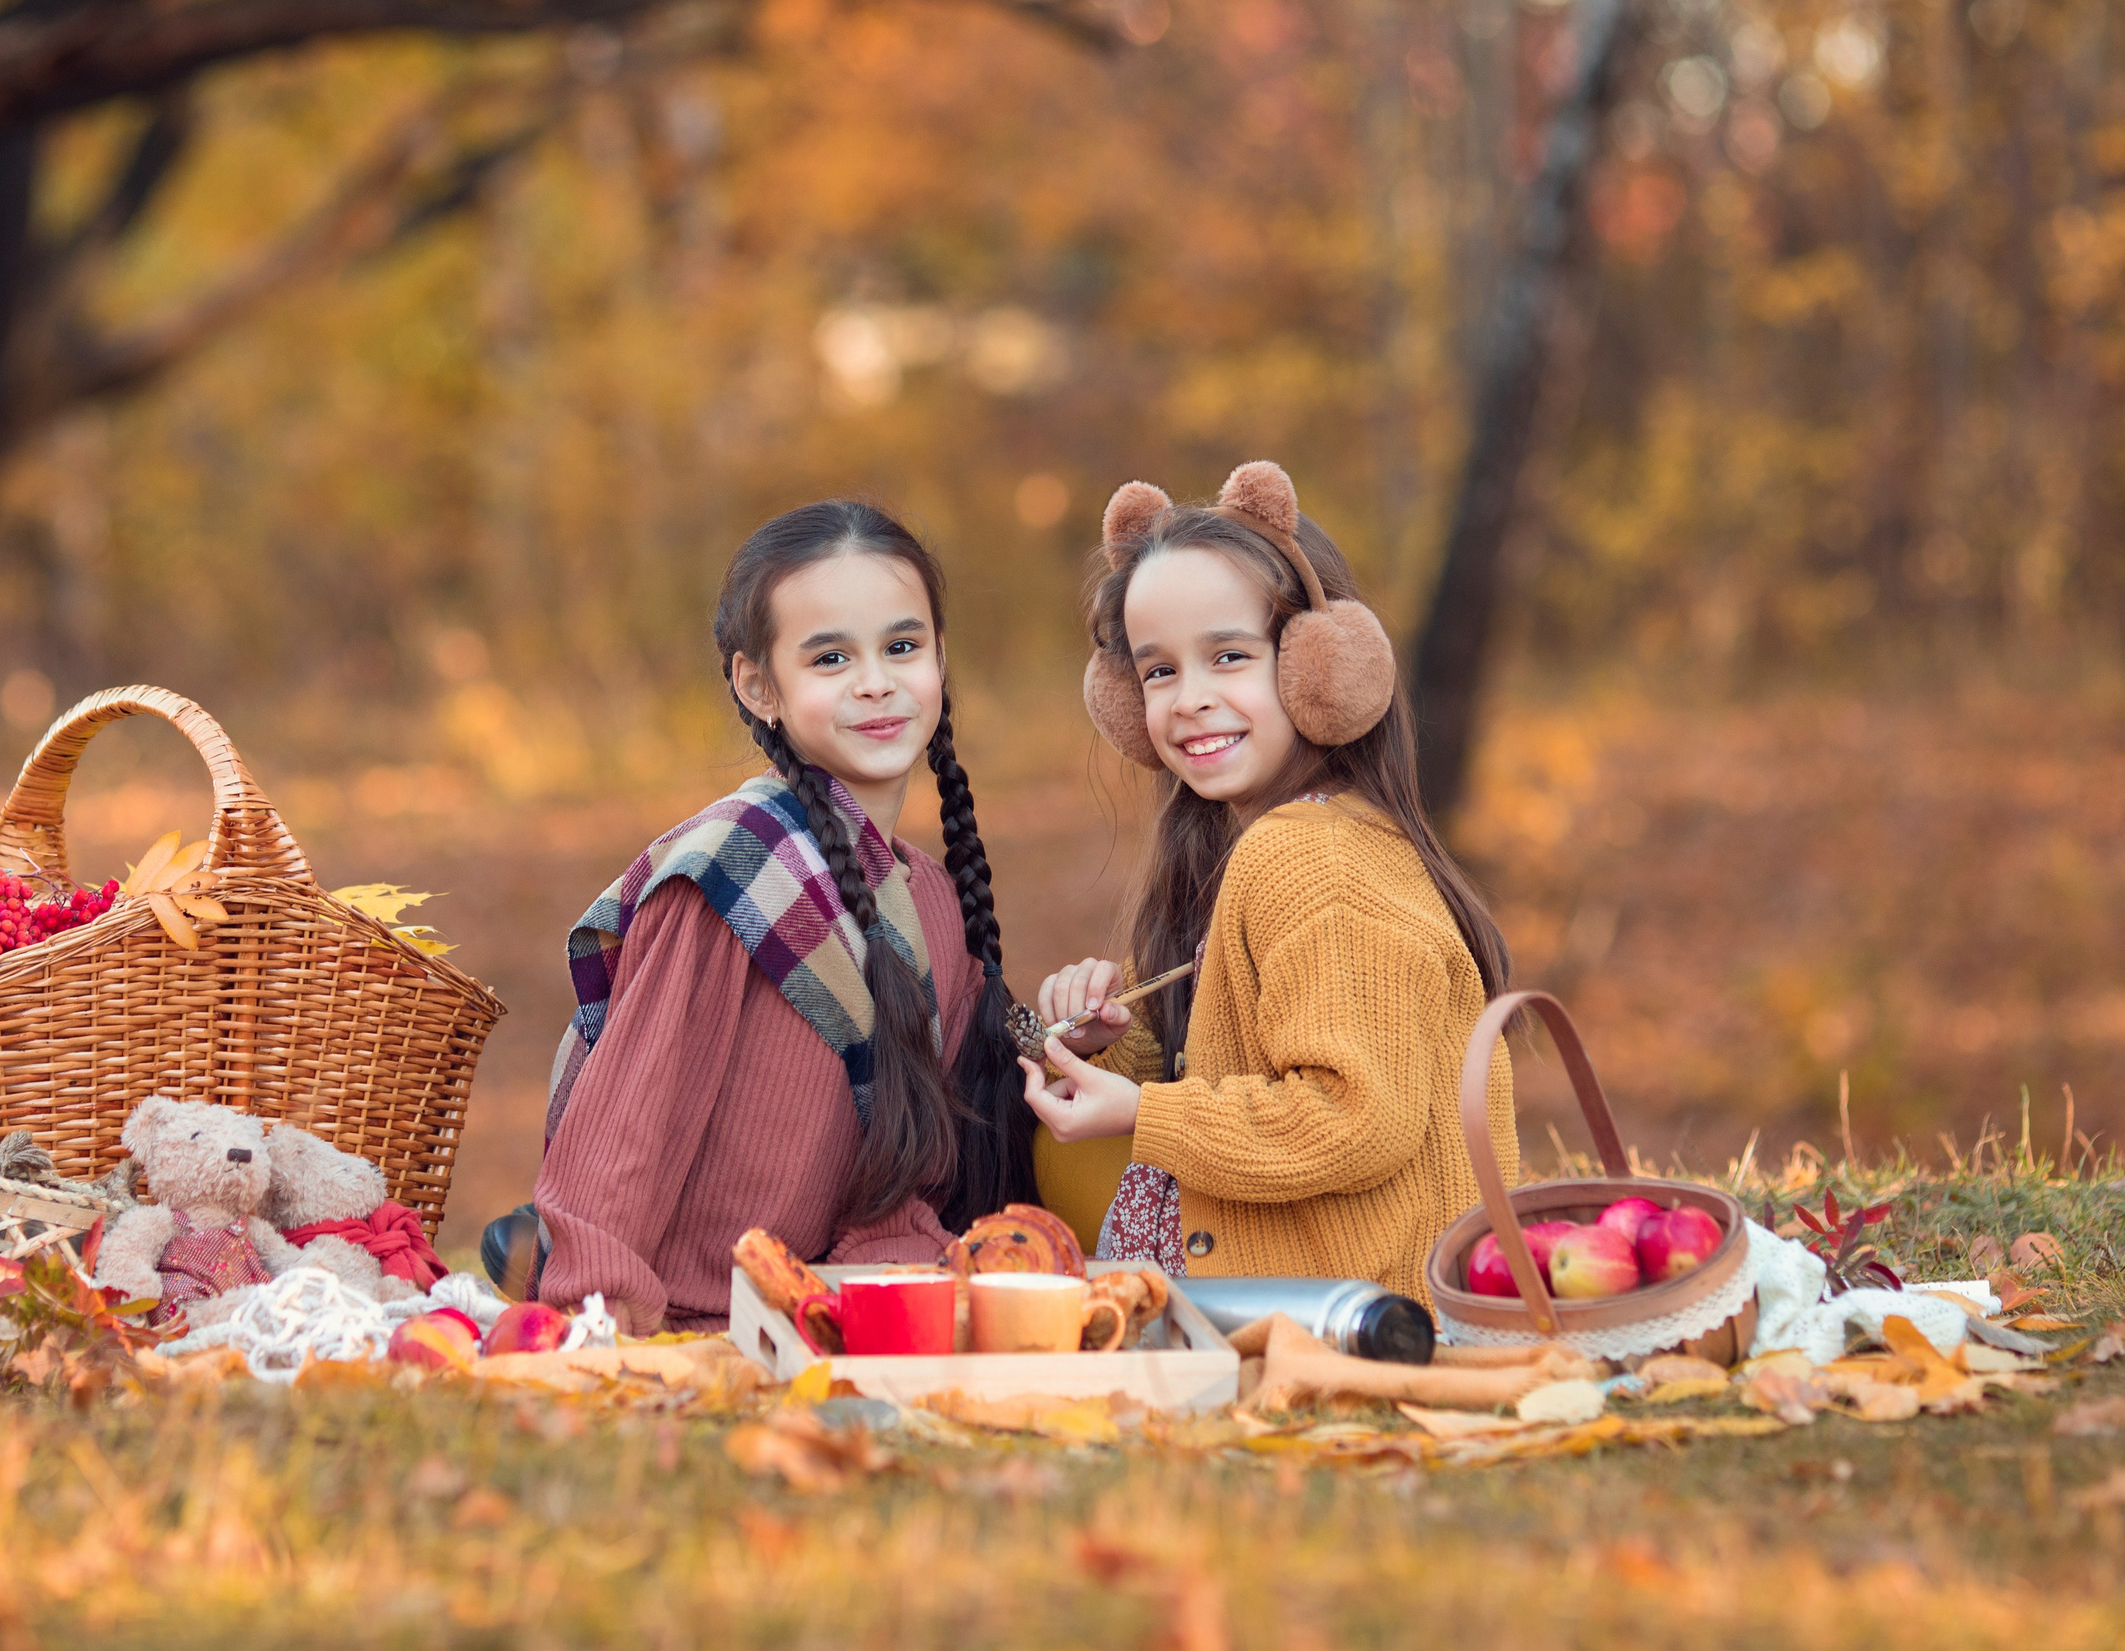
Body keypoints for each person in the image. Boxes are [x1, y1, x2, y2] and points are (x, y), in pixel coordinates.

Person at [525, 500, 1034, 1334]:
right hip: (687, 1329)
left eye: (902, 647)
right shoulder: (729, 874)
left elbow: (925, 1161)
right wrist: (600, 1330)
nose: (875, 681)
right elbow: (624, 1134)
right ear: (758, 686)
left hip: (840, 1323)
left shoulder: (933, 902)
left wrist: (1066, 1038)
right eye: (830, 657)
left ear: (941, 658)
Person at [1022, 462, 1516, 1305]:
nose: (1190, 700)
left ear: (1317, 668)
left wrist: (1141, 1118)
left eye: (1228, 656)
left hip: (1352, 1306)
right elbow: (1235, 1061)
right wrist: (1121, 1049)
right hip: (1327, 1286)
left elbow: (1353, 1118)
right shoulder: (1300, 839)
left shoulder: (1308, 858)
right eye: (1159, 672)